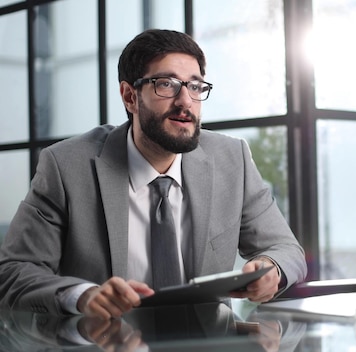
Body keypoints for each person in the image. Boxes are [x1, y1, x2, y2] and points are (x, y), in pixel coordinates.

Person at [0, 29, 307, 320]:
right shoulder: (67, 165)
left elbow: (286, 250)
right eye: (166, 84)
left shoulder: (232, 159)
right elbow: (13, 271)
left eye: (196, 86)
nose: (185, 101)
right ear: (130, 96)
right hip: (107, 343)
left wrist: (271, 269)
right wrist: (83, 296)